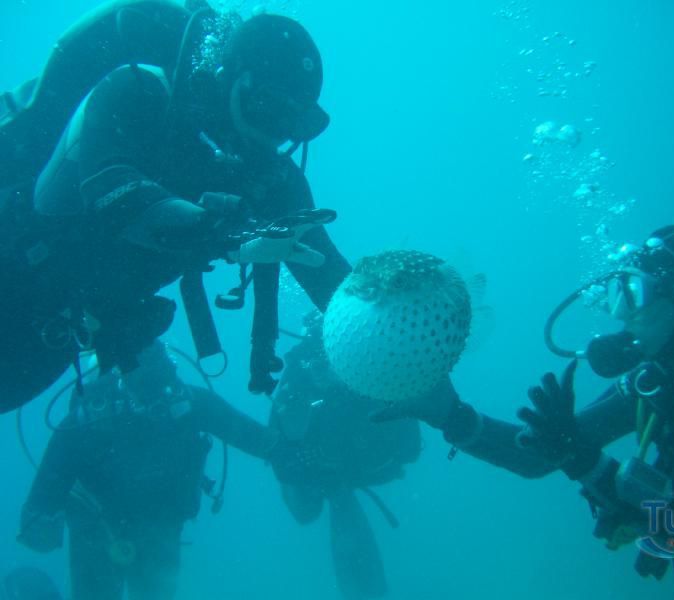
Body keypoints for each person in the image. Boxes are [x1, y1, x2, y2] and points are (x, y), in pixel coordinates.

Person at [389, 226, 674, 599]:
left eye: (635, 294)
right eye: (616, 293)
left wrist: (588, 465)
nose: (621, 314)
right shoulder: (660, 380)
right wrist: (448, 413)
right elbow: (538, 456)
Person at [0, 1, 351, 413]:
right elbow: (111, 191)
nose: (278, 134)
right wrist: (222, 233)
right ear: (231, 78)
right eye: (270, 108)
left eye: (298, 124)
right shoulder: (137, 94)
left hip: (63, 332)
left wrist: (419, 380)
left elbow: (331, 280)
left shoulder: (272, 180)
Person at [17, 340, 279, 600]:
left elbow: (258, 439)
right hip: (104, 529)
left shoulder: (185, 403)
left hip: (151, 527)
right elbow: (257, 439)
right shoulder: (94, 417)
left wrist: (285, 447)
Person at [269, 314, 422, 599]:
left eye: (329, 363)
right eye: (317, 364)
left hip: (364, 464)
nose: (323, 371)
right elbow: (278, 445)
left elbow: (409, 446)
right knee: (307, 511)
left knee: (330, 506)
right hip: (323, 474)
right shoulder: (298, 378)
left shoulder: (366, 372)